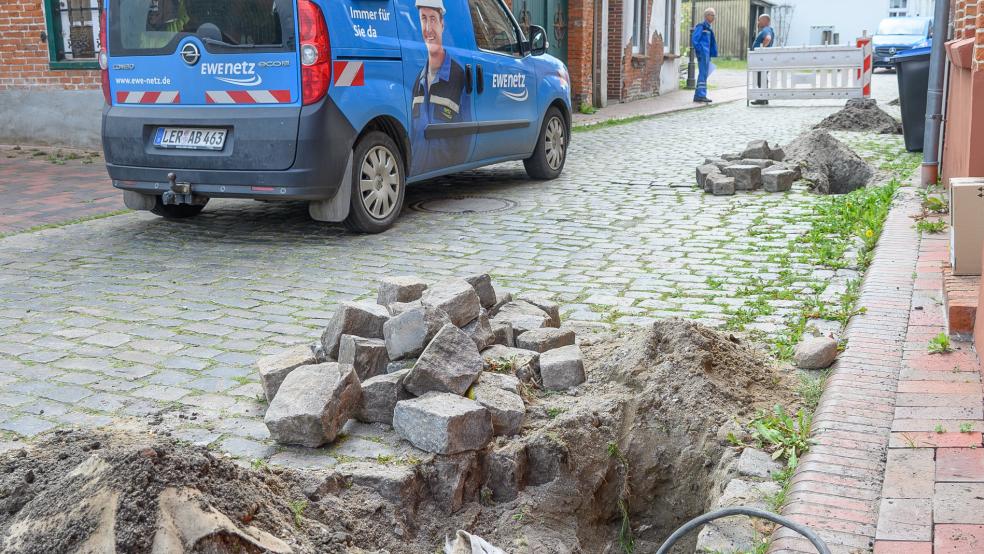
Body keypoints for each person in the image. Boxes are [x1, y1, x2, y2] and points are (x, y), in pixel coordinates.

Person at [410, 0, 471, 176]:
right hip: (422, 175)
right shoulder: (418, 82)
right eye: (423, 18)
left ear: (442, 24)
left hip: (450, 178)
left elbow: (467, 137)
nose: (428, 28)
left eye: (433, 19)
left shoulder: (458, 75)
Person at [691, 7, 718, 103]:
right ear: (707, 16)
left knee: (704, 74)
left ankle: (699, 95)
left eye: (714, 15)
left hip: (707, 54)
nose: (714, 17)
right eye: (712, 15)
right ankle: (701, 95)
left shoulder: (708, 27)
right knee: (703, 74)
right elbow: (695, 40)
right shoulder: (701, 26)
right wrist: (700, 51)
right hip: (703, 54)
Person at [751, 13, 775, 105]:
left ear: (765, 21)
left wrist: (761, 49)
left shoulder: (766, 29)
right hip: (764, 58)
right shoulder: (768, 29)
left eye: (759, 20)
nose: (758, 22)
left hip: (762, 58)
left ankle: (762, 98)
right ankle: (764, 98)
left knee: (761, 77)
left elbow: (767, 39)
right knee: (763, 77)